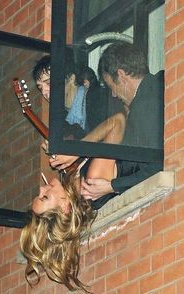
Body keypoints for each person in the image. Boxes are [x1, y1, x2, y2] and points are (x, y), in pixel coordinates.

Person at [20, 111, 126, 292]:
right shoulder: (91, 180)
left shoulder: (71, 181)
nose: (41, 189)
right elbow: (117, 121)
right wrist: (78, 149)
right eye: (45, 197)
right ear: (64, 208)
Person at [50, 42, 164, 204]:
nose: (114, 94)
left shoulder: (144, 106)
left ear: (122, 76)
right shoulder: (162, 82)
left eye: (111, 86)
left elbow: (161, 164)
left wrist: (113, 186)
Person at [32, 54, 85, 139]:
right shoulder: (60, 119)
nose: (44, 91)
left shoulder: (93, 97)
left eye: (49, 83)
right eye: (40, 87)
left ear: (71, 78)